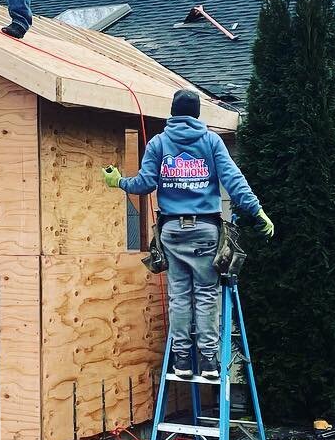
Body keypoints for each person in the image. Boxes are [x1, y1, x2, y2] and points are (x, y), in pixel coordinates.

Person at [102, 89, 274, 381]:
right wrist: (257, 212)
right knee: (206, 294)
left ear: (172, 112)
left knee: (179, 296)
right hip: (205, 230)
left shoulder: (159, 143)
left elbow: (144, 184)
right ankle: (208, 362)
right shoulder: (210, 142)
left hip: (170, 232)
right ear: (197, 114)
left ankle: (181, 361)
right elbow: (234, 181)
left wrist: (118, 181)